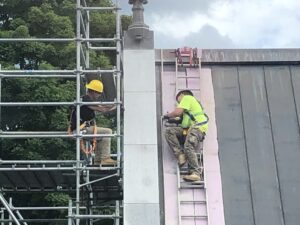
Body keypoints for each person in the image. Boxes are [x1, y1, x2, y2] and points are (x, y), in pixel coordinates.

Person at [163, 90, 208, 181]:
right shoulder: (188, 111)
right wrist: (176, 121)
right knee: (169, 131)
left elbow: (177, 112)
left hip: (198, 127)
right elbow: (184, 125)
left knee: (188, 146)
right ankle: (180, 155)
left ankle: (196, 173)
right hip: (190, 128)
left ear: (182, 95)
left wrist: (168, 116)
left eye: (178, 100)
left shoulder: (187, 98)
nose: (179, 103)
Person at [69, 79, 117, 166]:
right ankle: (105, 158)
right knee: (107, 132)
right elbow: (103, 109)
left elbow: (102, 106)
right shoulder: (86, 99)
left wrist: (115, 104)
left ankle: (98, 161)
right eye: (99, 93)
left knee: (100, 137)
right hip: (81, 129)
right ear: (94, 92)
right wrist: (117, 105)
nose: (99, 95)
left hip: (80, 129)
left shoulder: (86, 100)